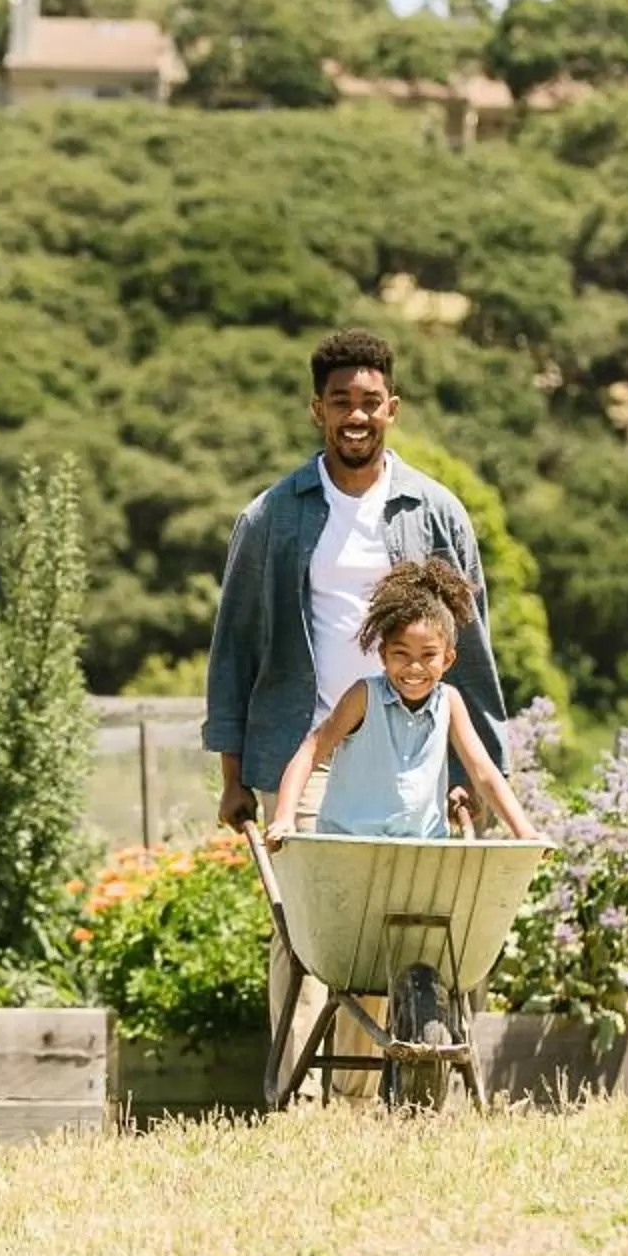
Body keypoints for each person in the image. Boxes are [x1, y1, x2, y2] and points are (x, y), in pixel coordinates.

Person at [205, 326, 508, 1094]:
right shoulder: (272, 517)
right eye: (340, 402)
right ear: (317, 410)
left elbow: (470, 654)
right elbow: (233, 651)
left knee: (401, 923)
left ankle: (369, 1094)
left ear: (392, 409)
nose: (355, 416)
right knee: (309, 927)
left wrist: (478, 767)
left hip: (409, 752)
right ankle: (295, 1097)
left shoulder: (434, 513)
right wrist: (234, 775)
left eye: (369, 402)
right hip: (304, 749)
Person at [264, 557, 533, 846]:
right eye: (401, 654)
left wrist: (524, 831)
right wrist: (283, 816)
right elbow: (312, 750)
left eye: (428, 655)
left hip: (421, 849)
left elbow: (483, 771)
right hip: (351, 845)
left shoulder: (449, 702)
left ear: (448, 659)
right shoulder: (364, 696)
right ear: (383, 655)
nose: (414, 668)